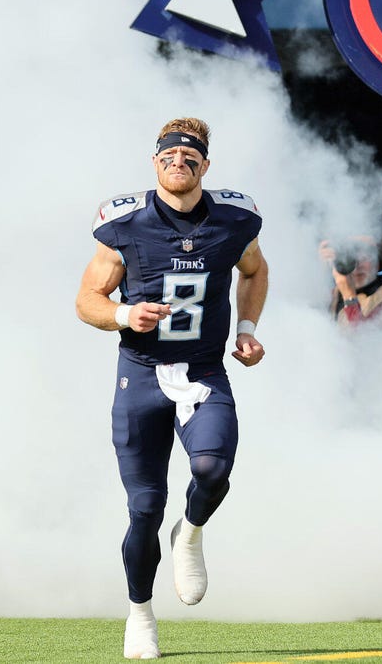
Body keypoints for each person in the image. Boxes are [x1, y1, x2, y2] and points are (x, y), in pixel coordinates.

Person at [75, 118, 268, 660]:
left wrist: (247, 331)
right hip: (139, 374)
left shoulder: (235, 218)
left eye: (189, 156)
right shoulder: (125, 223)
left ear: (205, 165)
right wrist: (122, 312)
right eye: (168, 155)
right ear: (154, 162)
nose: (177, 161)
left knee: (212, 470)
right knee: (144, 507)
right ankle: (139, 613)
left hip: (203, 371)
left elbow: (254, 271)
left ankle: (192, 532)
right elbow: (87, 298)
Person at [320, 237, 382, 325]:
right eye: (351, 260)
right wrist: (321, 273)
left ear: (379, 260)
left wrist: (349, 297)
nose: (357, 267)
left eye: (364, 258)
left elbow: (362, 336)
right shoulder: (334, 293)